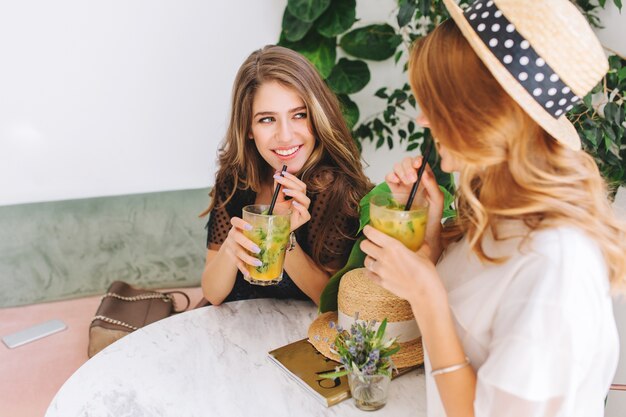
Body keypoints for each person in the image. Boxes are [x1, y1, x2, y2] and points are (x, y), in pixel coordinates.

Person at [359, 0, 626, 416]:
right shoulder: (496, 212)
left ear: (482, 115)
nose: (422, 119)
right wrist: (431, 246)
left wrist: (426, 297)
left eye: (436, 103)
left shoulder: (557, 267)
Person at [199, 45, 371, 306]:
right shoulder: (235, 179)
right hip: (236, 326)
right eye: (267, 119)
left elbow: (331, 302)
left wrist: (281, 236)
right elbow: (212, 294)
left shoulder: (337, 191)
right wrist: (230, 247)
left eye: (299, 115)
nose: (286, 135)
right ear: (248, 128)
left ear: (317, 116)